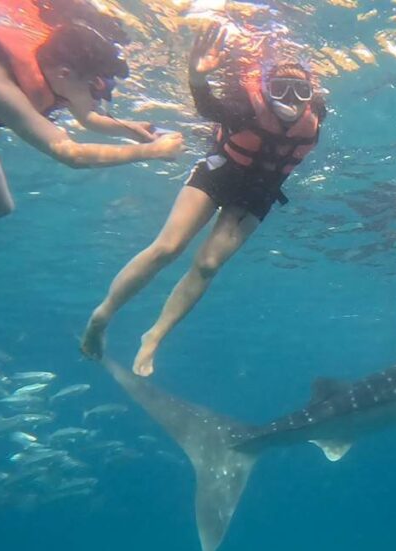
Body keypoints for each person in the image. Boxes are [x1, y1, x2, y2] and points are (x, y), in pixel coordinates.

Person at [81, 22, 326, 376]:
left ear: (311, 95)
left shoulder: (316, 119)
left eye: (299, 91)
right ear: (267, 89)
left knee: (209, 264)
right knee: (168, 247)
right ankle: (101, 316)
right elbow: (209, 108)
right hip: (220, 172)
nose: (289, 98)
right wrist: (197, 77)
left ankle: (154, 336)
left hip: (259, 192)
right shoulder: (246, 107)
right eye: (281, 88)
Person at [0, 0, 183, 280]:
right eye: (94, 87)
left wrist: (131, 129)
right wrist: (151, 151)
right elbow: (70, 154)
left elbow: (87, 116)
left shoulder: (61, 71)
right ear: (66, 74)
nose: (96, 97)